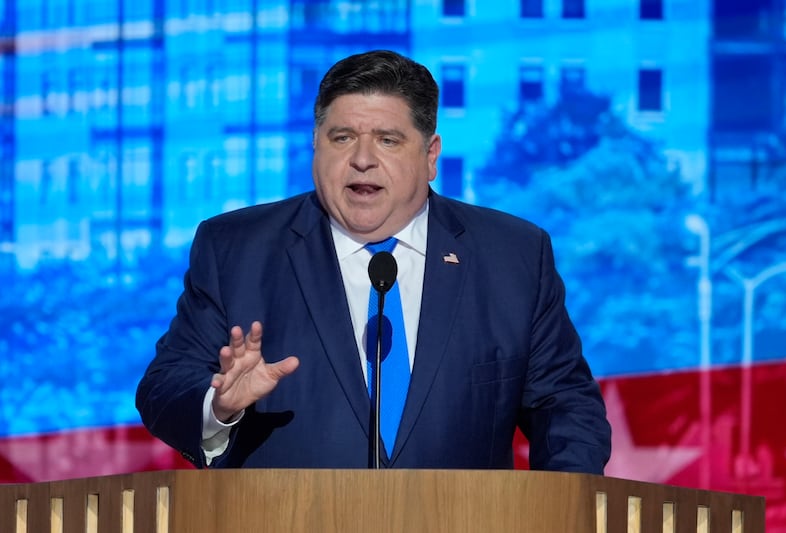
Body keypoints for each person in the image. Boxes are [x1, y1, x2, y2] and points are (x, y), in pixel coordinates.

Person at [136, 49, 611, 473]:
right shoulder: (236, 249)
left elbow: (566, 407)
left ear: (430, 155)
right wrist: (219, 407)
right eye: (342, 138)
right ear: (316, 144)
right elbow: (164, 389)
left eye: (388, 140)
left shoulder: (512, 255)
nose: (362, 159)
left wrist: (561, 511)